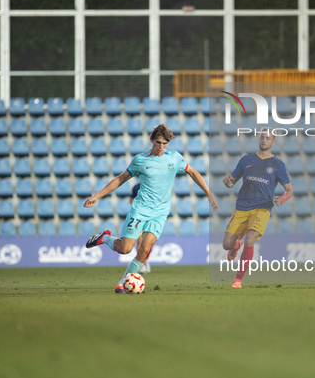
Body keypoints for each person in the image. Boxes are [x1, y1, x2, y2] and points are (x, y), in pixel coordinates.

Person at [84, 124, 219, 293]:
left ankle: (123, 282)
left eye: (164, 143)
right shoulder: (140, 160)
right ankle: (104, 238)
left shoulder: (174, 158)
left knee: (145, 248)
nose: (161, 147)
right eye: (158, 143)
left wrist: (208, 193)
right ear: (151, 140)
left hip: (160, 212)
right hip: (140, 210)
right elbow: (120, 179)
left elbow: (192, 172)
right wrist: (97, 196)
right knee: (125, 249)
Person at [221, 128, 292, 289]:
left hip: (262, 208)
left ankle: (237, 279)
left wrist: (282, 198)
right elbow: (233, 182)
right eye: (262, 137)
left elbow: (290, 190)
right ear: (258, 140)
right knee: (227, 244)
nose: (264, 140)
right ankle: (235, 244)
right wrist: (228, 183)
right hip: (242, 207)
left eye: (267, 138)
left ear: (273, 142)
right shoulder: (246, 160)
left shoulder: (278, 165)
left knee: (251, 239)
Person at [129, 181, 150, 274]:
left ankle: (145, 259)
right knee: (140, 239)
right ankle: (141, 264)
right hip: (140, 216)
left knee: (150, 240)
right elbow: (131, 199)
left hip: (152, 216)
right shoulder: (136, 187)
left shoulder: (152, 185)